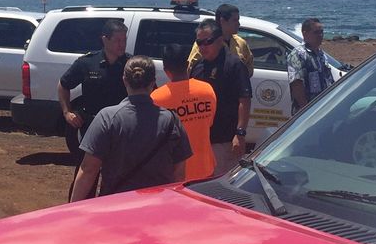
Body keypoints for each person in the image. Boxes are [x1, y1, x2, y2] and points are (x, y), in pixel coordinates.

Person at [69, 56, 191, 201]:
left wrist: (73, 208)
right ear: (153, 83)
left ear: (124, 80)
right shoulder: (172, 120)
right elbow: (179, 173)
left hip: (116, 203)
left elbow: (89, 169)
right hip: (156, 205)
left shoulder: (107, 117)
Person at [189, 18, 252, 176]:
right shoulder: (198, 68)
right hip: (201, 144)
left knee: (223, 188)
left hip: (225, 141)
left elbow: (244, 100)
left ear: (219, 40)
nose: (202, 46)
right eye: (199, 42)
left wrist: (240, 134)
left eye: (207, 41)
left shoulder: (234, 65)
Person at [58, 18, 129, 158]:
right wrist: (67, 112)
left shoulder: (131, 65)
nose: (122, 45)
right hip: (93, 126)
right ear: (105, 39)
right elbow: (63, 85)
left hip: (122, 128)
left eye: (124, 40)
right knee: (87, 171)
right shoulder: (87, 63)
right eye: (117, 40)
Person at [151, 43, 216, 179]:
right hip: (205, 168)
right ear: (187, 64)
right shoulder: (207, 90)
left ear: (165, 70)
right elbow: (209, 123)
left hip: (174, 173)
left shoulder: (156, 98)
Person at [187, 3, 254, 76]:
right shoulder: (204, 43)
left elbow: (249, 65)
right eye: (235, 20)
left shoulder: (241, 43)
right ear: (223, 21)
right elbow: (190, 69)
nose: (238, 24)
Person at [288, 17, 334, 114]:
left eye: (321, 32)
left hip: (323, 109)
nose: (320, 35)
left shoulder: (321, 54)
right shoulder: (298, 54)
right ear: (305, 33)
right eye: (316, 32)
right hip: (308, 112)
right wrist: (306, 111)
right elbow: (297, 84)